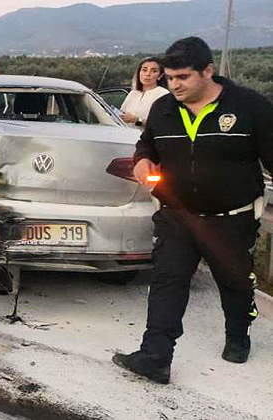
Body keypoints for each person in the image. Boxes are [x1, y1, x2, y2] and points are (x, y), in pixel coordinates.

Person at [113, 37, 273, 384]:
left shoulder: (250, 106)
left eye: (183, 77)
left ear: (208, 71)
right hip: (176, 215)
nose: (174, 85)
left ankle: (237, 335)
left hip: (232, 219)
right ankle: (155, 355)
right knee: (167, 281)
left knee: (234, 283)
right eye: (169, 78)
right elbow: (146, 147)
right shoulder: (164, 109)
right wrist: (142, 165)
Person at [119, 57, 169, 129]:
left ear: (160, 76)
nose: (148, 74)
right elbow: (121, 115)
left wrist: (137, 120)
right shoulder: (133, 93)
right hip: (126, 137)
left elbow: (164, 124)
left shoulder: (163, 94)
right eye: (144, 70)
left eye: (154, 71)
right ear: (139, 73)